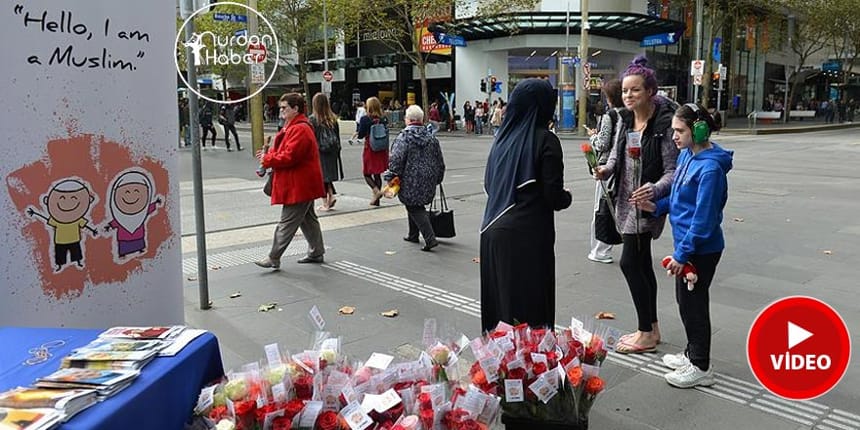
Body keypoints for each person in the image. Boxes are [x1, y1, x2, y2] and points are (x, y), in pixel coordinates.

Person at [636, 103, 732, 388]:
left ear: (699, 129)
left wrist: (681, 254)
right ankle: (692, 353)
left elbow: (703, 219)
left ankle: (701, 366)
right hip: (691, 246)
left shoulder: (711, 169)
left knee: (694, 306)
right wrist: (655, 206)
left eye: (679, 131)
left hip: (701, 250)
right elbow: (679, 200)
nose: (674, 136)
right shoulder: (688, 156)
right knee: (685, 302)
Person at [593, 55, 680, 354]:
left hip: (646, 204)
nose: (629, 96)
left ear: (650, 91)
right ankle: (651, 327)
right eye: (626, 91)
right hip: (624, 199)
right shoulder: (625, 119)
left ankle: (645, 332)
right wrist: (605, 169)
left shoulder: (664, 124)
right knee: (641, 263)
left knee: (631, 262)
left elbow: (673, 170)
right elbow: (617, 155)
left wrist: (653, 190)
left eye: (636, 90)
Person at [480, 78, 572, 332]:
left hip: (491, 232)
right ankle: (531, 368)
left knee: (501, 309)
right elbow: (553, 195)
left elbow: (489, 185)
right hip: (526, 236)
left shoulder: (500, 141)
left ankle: (500, 367)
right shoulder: (546, 140)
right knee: (529, 309)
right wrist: (567, 197)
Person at [254, 93, 326, 269]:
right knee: (307, 219)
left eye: (284, 107)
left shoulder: (298, 128)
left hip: (298, 185)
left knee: (287, 222)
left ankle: (274, 257)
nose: (281, 110)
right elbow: (288, 153)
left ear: (296, 108)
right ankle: (316, 251)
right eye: (281, 107)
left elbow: (289, 156)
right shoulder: (296, 126)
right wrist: (268, 157)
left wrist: (268, 159)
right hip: (302, 183)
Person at [383, 105, 446, 251]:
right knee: (414, 204)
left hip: (410, 179)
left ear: (408, 120)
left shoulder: (404, 137)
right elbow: (440, 161)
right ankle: (413, 234)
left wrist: (391, 176)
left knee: (414, 206)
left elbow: (396, 160)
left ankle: (430, 238)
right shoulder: (431, 138)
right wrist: (438, 177)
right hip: (428, 178)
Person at [586, 78, 624, 264]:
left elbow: (603, 143)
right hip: (624, 166)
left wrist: (593, 137)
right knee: (615, 207)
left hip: (606, 166)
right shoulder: (629, 114)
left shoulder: (610, 116)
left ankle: (600, 250)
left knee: (601, 208)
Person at [309, 93, 344, 212]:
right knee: (327, 176)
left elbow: (311, 137)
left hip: (320, 151)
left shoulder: (313, 119)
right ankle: (331, 196)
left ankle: (325, 203)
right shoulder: (333, 118)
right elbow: (337, 136)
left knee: (321, 177)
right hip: (332, 151)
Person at [356, 97, 389, 206]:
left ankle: (376, 191)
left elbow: (361, 134)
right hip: (381, 149)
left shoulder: (365, 119)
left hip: (370, 148)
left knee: (366, 173)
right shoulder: (383, 118)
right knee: (377, 174)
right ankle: (376, 200)